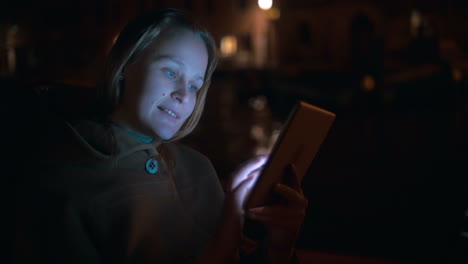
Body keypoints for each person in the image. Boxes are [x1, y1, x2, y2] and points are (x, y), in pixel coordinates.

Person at [15, 8, 307, 264]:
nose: (183, 95)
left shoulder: (200, 167)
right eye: (170, 72)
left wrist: (280, 245)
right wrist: (231, 219)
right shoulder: (62, 179)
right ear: (126, 65)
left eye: (195, 85)